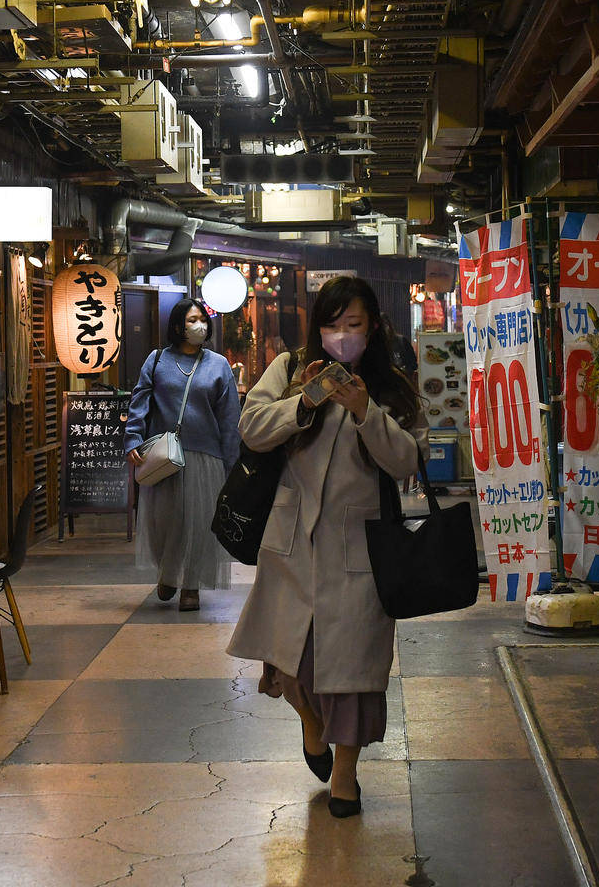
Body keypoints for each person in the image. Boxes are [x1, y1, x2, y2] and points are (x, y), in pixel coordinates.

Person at [226, 276, 424, 819]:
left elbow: (407, 460)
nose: (341, 335)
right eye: (332, 324)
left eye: (353, 324)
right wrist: (303, 400)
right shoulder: (290, 368)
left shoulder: (390, 387)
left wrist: (365, 412)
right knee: (294, 661)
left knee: (353, 673)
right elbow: (252, 428)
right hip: (292, 544)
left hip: (359, 550)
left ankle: (345, 774)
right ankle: (311, 725)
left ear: (373, 327)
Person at [124, 299, 241, 611]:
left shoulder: (218, 365)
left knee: (199, 525)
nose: (199, 324)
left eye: (202, 319)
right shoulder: (157, 360)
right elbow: (140, 401)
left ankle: (191, 586)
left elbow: (230, 418)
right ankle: (168, 573)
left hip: (206, 457)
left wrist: (233, 464)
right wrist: (133, 438)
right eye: (192, 320)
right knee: (166, 522)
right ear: (178, 326)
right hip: (164, 456)